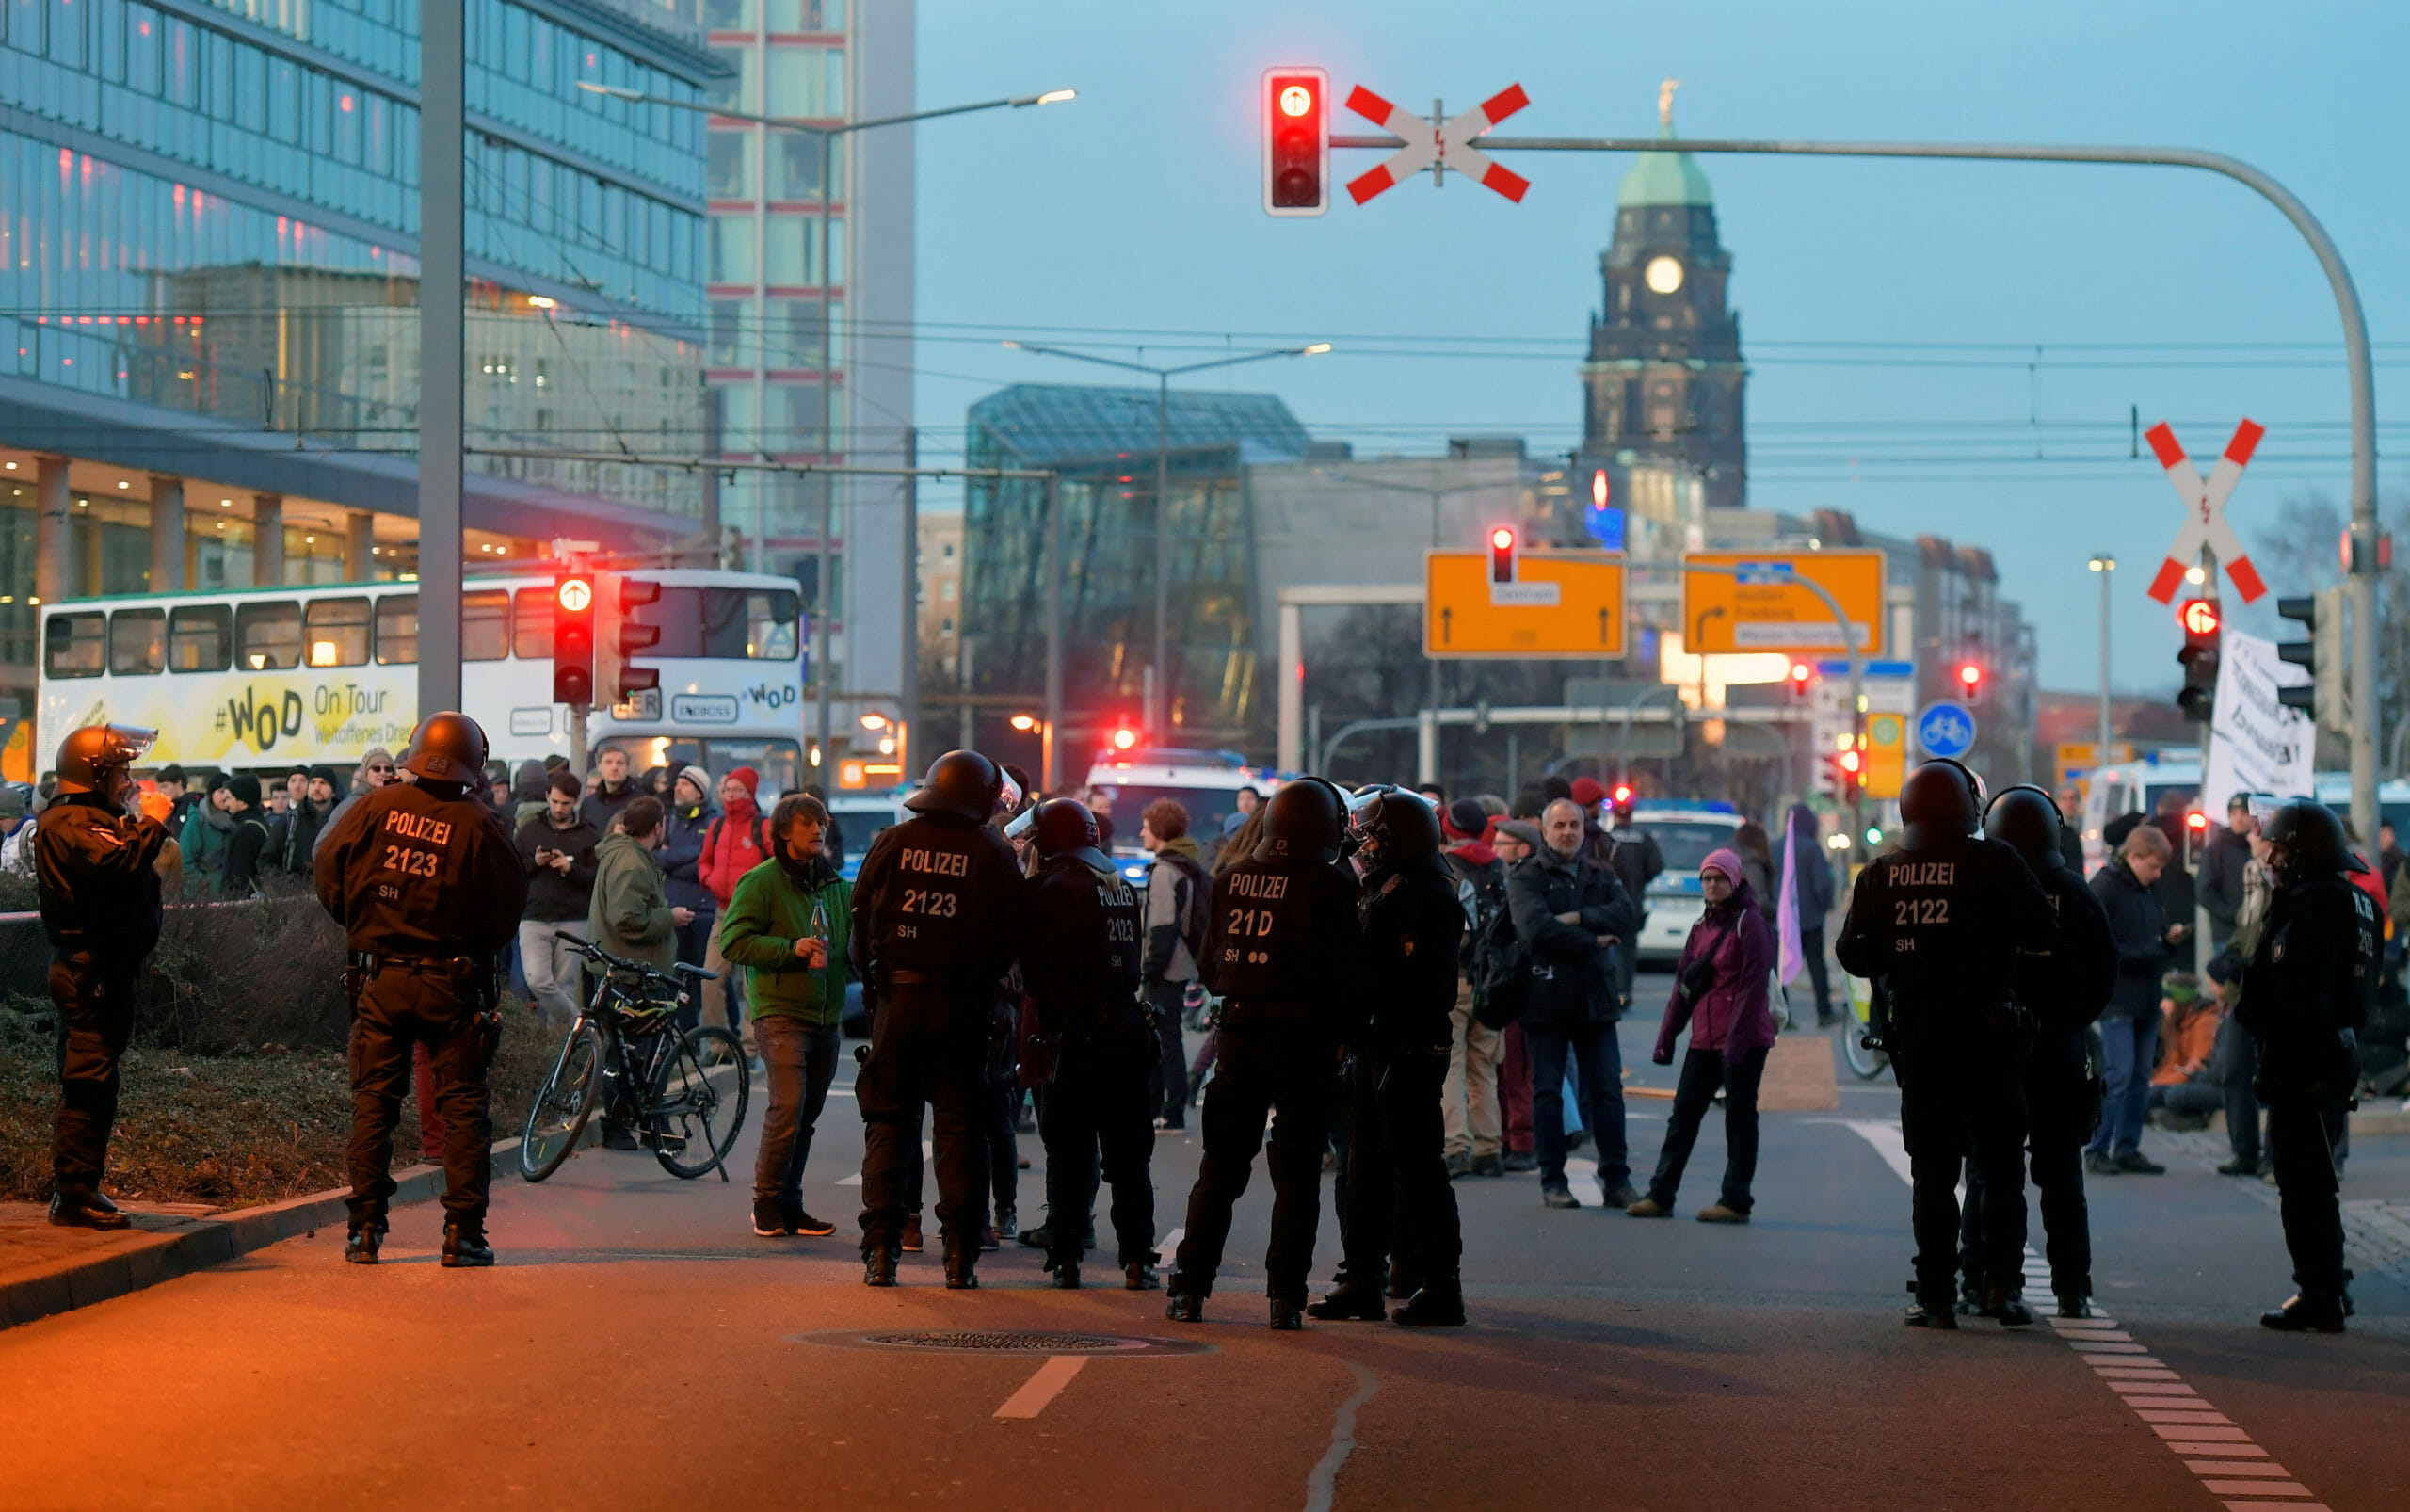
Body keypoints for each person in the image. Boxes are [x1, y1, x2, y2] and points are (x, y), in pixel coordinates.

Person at [1836, 760, 2057, 1328]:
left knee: (1933, 1171)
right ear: (1969, 807)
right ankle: (2001, 1290)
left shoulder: (1881, 874)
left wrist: (1904, 953)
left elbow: (1853, 954)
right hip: (1992, 1040)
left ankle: (1934, 1295)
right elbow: (2043, 931)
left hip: (1923, 1043)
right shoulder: (1998, 861)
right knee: (2002, 1168)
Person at [314, 714, 525, 1267]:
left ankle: (363, 1233)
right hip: (452, 986)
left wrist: (360, 923)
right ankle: (463, 1235)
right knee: (462, 1108)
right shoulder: (480, 825)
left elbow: (327, 867)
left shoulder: (373, 808)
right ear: (471, 763)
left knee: (374, 1104)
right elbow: (507, 908)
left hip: (380, 979)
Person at [1167, 779, 1364, 1331]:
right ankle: (1286, 1299)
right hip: (1307, 1045)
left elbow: (1210, 966)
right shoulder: (1330, 885)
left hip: (1239, 1036)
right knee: (1297, 1176)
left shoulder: (1232, 878)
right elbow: (1349, 975)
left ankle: (1189, 1289)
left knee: (1221, 1171)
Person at [852, 750, 1025, 1289]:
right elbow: (1011, 935)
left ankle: (881, 1252)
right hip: (965, 1006)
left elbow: (859, 916)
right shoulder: (991, 849)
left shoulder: (893, 842)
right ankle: (959, 1258)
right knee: (960, 1129)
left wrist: (877, 986)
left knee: (889, 1124)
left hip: (898, 1002)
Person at [1310, 788, 1466, 1326]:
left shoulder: (1426, 895)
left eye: (1374, 835)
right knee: (1364, 1169)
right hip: (1375, 1045)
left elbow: (1419, 986)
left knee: (1417, 1168)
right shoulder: (1386, 885)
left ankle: (1442, 1285)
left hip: (1407, 1048)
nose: (1366, 844)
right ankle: (1362, 1279)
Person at [1967, 785, 2118, 1320]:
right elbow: (2104, 974)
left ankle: (1987, 1284)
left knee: (1990, 1171)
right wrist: (2070, 1021)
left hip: (1994, 1050)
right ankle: (2072, 1289)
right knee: (2061, 1175)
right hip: (2057, 1048)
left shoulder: (1982, 889)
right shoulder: (2076, 893)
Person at [2239, 801, 2380, 1332]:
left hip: (2303, 1059)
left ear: (2303, 852)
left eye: (2278, 849)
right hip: (2335, 1055)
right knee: (2313, 1178)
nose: (2271, 858)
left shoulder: (2314, 904)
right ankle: (2327, 1285)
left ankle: (2320, 1290)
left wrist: (2268, 1036)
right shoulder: (2361, 903)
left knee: (2303, 1183)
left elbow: (2289, 985)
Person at [35, 724, 173, 1229]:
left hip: (107, 971)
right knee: (87, 1081)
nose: (128, 779)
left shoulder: (93, 818)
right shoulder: (71, 821)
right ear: (93, 773)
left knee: (97, 1079)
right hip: (88, 972)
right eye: (120, 770)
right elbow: (120, 864)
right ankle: (73, 1193)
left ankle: (81, 1185)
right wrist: (152, 823)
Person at [1021, 798, 1155, 1289]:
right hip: (1126, 1025)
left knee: (1071, 1153)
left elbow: (1037, 971)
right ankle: (1139, 1258)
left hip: (1075, 1034)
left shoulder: (1052, 889)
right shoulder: (1118, 885)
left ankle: (1066, 1256)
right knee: (1128, 1154)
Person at [721, 791, 850, 1241]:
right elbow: (733, 943)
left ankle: (791, 1205)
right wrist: (789, 949)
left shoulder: (836, 886)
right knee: (788, 1108)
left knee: (806, 1117)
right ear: (783, 833)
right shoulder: (761, 881)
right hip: (780, 1014)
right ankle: (765, 1202)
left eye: (821, 823)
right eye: (806, 824)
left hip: (825, 1017)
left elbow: (850, 946)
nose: (817, 831)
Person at [1630, 847, 1777, 1223]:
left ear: (1735, 879)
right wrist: (1667, 1039)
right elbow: (1684, 985)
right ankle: (1660, 1194)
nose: (1712, 885)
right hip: (1704, 1037)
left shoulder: (1751, 923)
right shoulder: (1700, 927)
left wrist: (1737, 1044)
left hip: (1742, 1039)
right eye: (1707, 879)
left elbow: (1753, 986)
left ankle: (1735, 1199)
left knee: (1739, 1119)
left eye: (1719, 878)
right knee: (1683, 1116)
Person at [1508, 797, 1642, 1211]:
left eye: (1575, 825)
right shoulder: (1527, 877)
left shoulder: (1600, 872)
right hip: (1545, 998)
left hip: (1596, 999)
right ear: (1545, 831)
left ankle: (1616, 1180)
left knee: (1608, 1092)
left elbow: (1626, 915)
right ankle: (1553, 1181)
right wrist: (1592, 940)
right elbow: (1535, 929)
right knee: (1547, 1092)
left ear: (1584, 830)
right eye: (1560, 825)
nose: (1568, 832)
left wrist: (1578, 919)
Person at [2088, 824, 2184, 1176]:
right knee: (2119, 1075)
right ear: (2135, 856)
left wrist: (2166, 943)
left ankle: (2127, 1147)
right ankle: (2098, 1148)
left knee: (2140, 1075)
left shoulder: (2146, 890)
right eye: (2153, 866)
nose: (2157, 874)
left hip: (2145, 996)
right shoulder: (2106, 887)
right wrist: (2153, 949)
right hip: (2118, 998)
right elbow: (2101, 946)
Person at [1440, 798, 1507, 1178]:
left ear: (1448, 828)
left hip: (1459, 978)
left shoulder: (1449, 870)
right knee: (1484, 1066)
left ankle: (1457, 1144)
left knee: (1451, 1063)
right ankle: (1489, 1147)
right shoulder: (1499, 867)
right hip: (1494, 981)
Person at [1139, 798, 1208, 1132]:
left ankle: (1170, 1109)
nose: (1141, 833)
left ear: (1159, 831)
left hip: (1166, 968)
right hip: (1179, 966)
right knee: (1165, 1037)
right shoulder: (1185, 865)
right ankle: (1163, 1108)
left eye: (1146, 827)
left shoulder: (1166, 871)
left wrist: (1148, 969)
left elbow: (1162, 927)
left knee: (1162, 1040)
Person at [513, 772, 602, 1023]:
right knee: (537, 979)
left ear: (575, 801)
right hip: (534, 916)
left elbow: (596, 878)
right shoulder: (531, 830)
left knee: (565, 986)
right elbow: (513, 869)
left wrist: (570, 870)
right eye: (554, 801)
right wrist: (536, 862)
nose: (559, 808)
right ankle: (579, 1024)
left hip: (573, 918)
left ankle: (561, 1052)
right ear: (546, 797)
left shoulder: (589, 835)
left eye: (565, 803)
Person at [699, 767, 766, 1052]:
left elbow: (777, 862)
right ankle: (718, 1045)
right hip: (722, 913)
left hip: (756, 915)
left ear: (750, 793)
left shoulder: (762, 826)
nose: (730, 794)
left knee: (753, 987)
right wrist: (709, 880)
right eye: (727, 789)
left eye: (737, 789)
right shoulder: (716, 826)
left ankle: (750, 1047)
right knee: (709, 979)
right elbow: (704, 861)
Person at [1489, 818, 1544, 1173]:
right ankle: (1510, 1138)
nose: (1494, 850)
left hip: (1523, 988)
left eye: (1502, 844)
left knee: (1517, 1070)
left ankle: (1522, 1141)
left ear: (1522, 849)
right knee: (1501, 1069)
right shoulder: (1503, 879)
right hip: (1506, 984)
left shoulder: (1526, 883)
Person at [659, 765, 719, 1026]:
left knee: (709, 977)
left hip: (705, 910)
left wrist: (671, 859)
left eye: (685, 784)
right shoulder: (669, 819)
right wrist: (690, 854)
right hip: (674, 908)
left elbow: (707, 862)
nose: (677, 789)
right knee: (679, 975)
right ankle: (686, 1033)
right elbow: (657, 857)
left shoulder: (714, 822)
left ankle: (720, 1033)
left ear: (699, 793)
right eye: (678, 784)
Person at [1772, 803, 1840, 1028]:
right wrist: (1825, 905)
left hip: (1781, 919)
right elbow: (1823, 884)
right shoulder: (1812, 848)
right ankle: (1824, 1012)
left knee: (1780, 969)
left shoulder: (1775, 848)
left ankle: (1784, 1015)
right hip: (1810, 918)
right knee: (1817, 966)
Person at [2146, 975, 2222, 1128]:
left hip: (2198, 1081)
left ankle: (2191, 1120)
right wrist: (2152, 1082)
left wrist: (2156, 1084)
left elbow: (2195, 1068)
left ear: (2180, 1002)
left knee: (2158, 1095)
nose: (2162, 1004)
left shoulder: (2204, 1022)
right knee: (2143, 1093)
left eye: (2167, 999)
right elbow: (2172, 1063)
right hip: (2182, 1078)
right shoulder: (2178, 1022)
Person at [311, 748, 395, 857]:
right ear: (365, 773)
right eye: (376, 769)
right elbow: (320, 849)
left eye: (388, 769)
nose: (383, 773)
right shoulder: (350, 805)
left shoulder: (398, 802)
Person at [2198, 795, 2256, 952]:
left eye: (2244, 813)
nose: (2238, 818)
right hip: (2227, 935)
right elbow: (2204, 891)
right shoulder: (2216, 849)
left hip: (2256, 934)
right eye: (2233, 814)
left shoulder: (2258, 848)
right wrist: (2232, 914)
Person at [180, 773, 233, 894]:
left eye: (228, 792)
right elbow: (185, 859)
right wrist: (201, 883)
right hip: (204, 895)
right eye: (221, 791)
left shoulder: (236, 820)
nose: (225, 797)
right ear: (211, 794)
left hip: (230, 893)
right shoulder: (198, 820)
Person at [219, 776, 272, 897]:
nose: (225, 804)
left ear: (242, 801)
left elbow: (237, 878)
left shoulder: (245, 832)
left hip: (246, 906)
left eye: (228, 798)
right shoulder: (261, 824)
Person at [283, 767, 337, 873]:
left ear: (333, 791)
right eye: (313, 782)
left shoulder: (343, 820)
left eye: (323, 783)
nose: (317, 788)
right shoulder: (292, 820)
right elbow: (268, 859)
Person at [578, 745, 642, 833]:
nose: (614, 767)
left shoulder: (640, 803)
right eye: (608, 762)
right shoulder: (589, 804)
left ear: (627, 767)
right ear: (599, 767)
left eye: (620, 763)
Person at [1085, 785, 1118, 850]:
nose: (1104, 811)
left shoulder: (1109, 831)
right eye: (1100, 807)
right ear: (1088, 808)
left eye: (1107, 807)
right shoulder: (1085, 834)